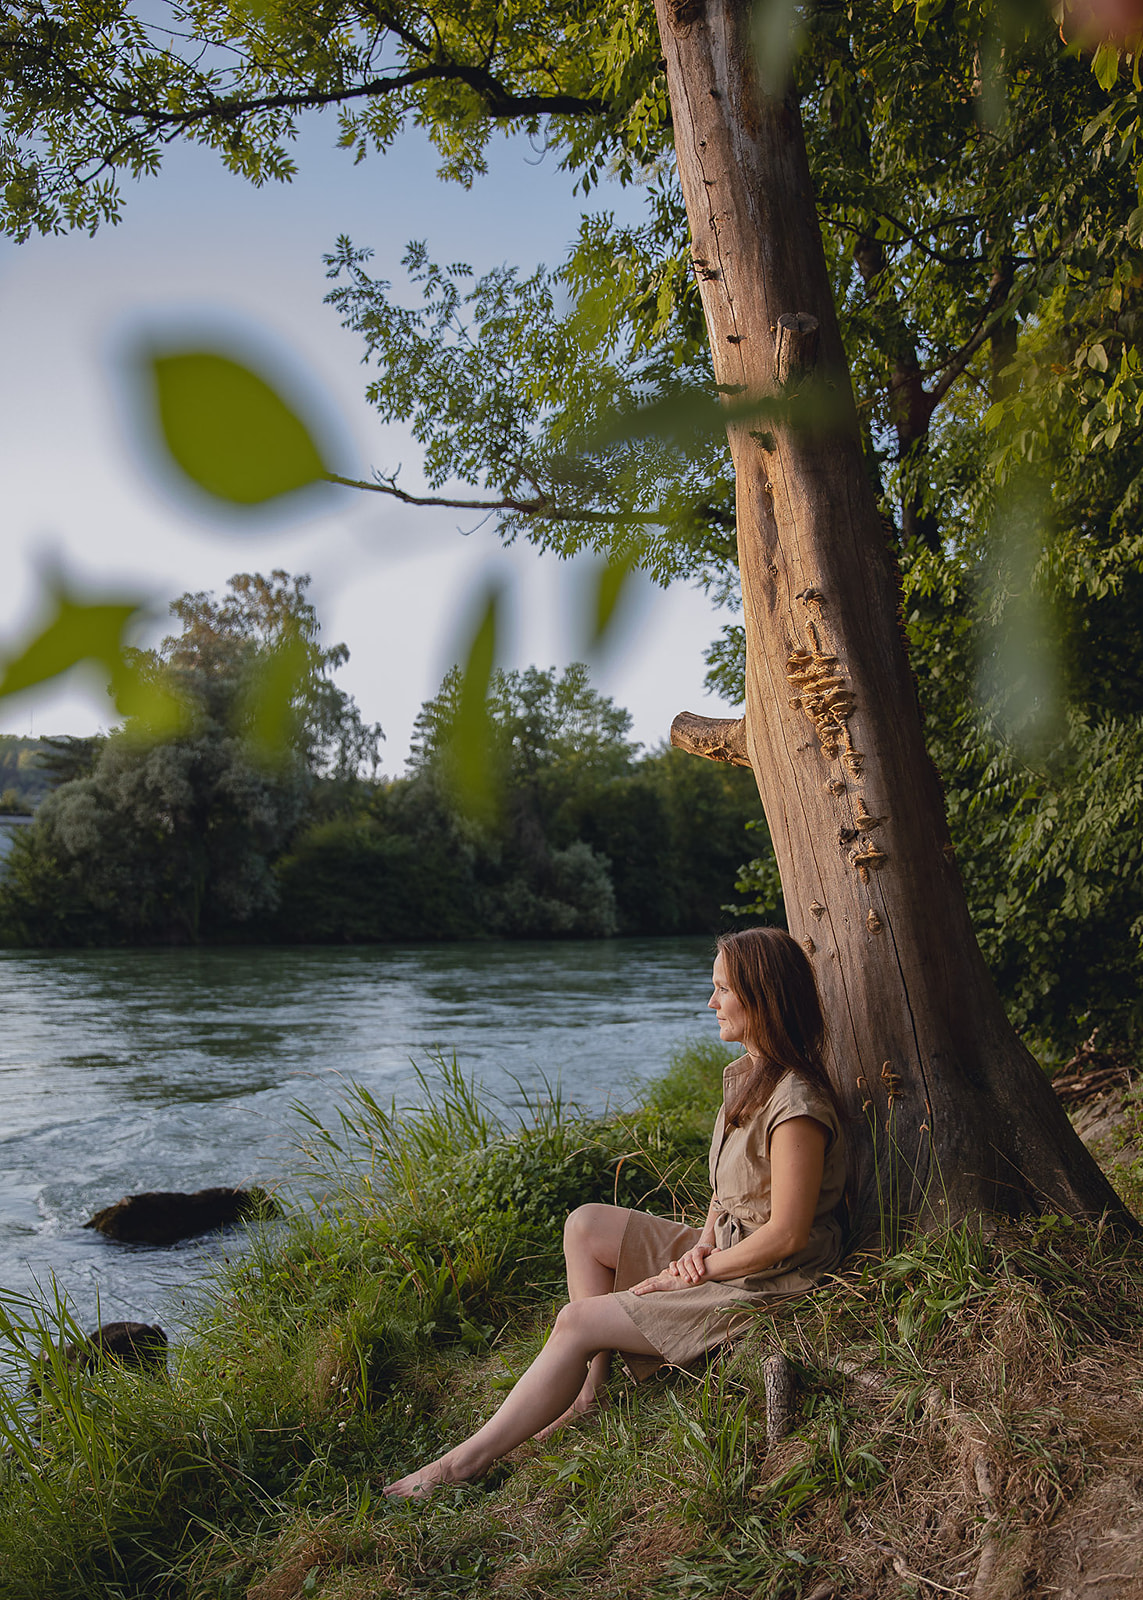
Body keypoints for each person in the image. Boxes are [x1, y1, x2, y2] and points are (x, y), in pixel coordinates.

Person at [383, 926, 847, 1500]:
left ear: (762, 998)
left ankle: (459, 1466)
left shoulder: (797, 1104)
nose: (710, 1002)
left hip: (772, 1278)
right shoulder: (747, 1078)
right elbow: (726, 1195)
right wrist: (700, 1245)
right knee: (584, 1224)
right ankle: (587, 1393)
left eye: (723, 989)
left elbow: (786, 1234)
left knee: (575, 1321)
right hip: (727, 1250)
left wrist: (694, 1273)